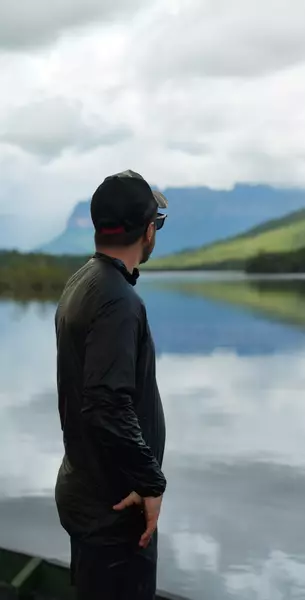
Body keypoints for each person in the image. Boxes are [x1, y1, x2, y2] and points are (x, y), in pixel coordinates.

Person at [54, 170, 168, 600]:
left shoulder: (84, 281)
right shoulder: (119, 299)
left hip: (89, 494)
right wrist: (151, 482)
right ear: (148, 230)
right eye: (158, 222)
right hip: (116, 507)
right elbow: (106, 403)